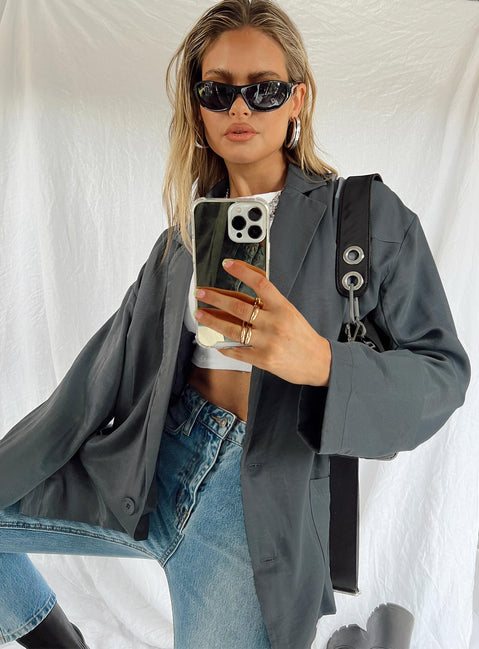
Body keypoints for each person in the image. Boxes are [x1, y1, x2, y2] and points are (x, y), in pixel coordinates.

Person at [0, 1, 470, 648]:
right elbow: (101, 372)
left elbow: (443, 372)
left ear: (297, 99)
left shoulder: (364, 218)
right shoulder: (182, 241)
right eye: (218, 91)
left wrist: (324, 363)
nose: (240, 108)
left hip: (254, 494)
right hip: (147, 465)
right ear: (198, 108)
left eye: (264, 90)